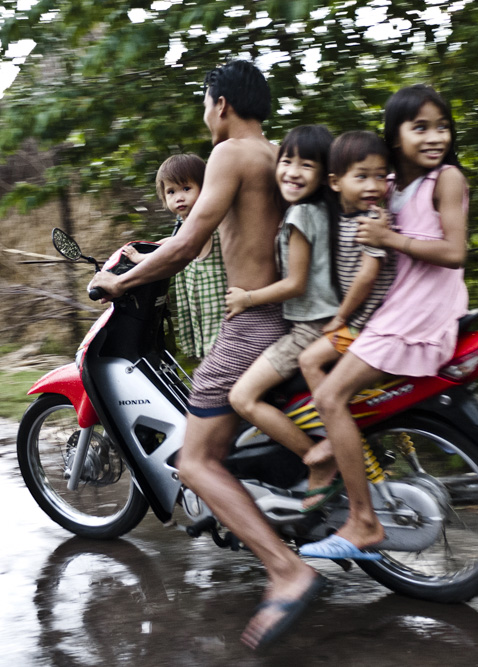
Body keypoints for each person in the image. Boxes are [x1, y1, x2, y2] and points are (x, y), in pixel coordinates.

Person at [88, 60, 326, 651]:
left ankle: (286, 568)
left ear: (220, 104)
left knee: (194, 461)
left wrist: (120, 283)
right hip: (292, 316)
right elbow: (208, 231)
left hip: (253, 325)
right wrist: (147, 253)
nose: (204, 113)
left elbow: (190, 240)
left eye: (204, 101)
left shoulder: (230, 154)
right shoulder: (276, 156)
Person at [299, 84, 470, 561]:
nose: (435, 137)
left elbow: (455, 252)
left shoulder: (447, 179)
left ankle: (363, 522)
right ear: (395, 135)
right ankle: (339, 447)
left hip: (422, 311)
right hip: (393, 306)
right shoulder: (392, 185)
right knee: (314, 361)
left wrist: (392, 238)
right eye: (420, 127)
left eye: (442, 126)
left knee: (331, 396)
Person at [225, 125, 339, 487]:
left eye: (306, 165)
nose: (292, 171)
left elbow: (295, 284)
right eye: (286, 160)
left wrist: (248, 298)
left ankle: (317, 460)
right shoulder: (323, 212)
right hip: (326, 323)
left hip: (311, 328)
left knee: (242, 398)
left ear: (323, 176)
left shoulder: (301, 215)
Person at [294, 131, 395, 509]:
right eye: (362, 176)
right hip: (363, 318)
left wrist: (340, 317)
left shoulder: (372, 220)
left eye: (380, 176)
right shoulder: (348, 218)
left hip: (364, 322)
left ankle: (333, 440)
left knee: (308, 359)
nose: (373, 185)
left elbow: (368, 275)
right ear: (335, 182)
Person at [122, 154, 227, 358]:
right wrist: (160, 244)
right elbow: (175, 242)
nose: (179, 196)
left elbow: (177, 248)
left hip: (216, 304)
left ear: (204, 189)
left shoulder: (206, 222)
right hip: (202, 306)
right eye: (171, 191)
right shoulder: (186, 225)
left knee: (217, 353)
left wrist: (141, 259)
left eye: (186, 189)